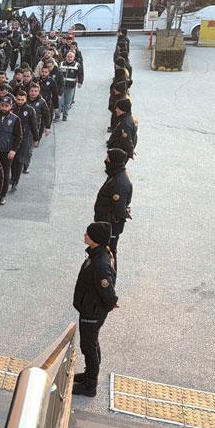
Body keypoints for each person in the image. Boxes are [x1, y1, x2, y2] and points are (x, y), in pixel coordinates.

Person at [72, 222, 119, 398]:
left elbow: (107, 290)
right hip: (90, 308)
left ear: (96, 240)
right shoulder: (98, 254)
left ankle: (90, 385)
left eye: (88, 234)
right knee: (91, 343)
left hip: (92, 311)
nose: (84, 235)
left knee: (88, 346)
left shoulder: (100, 263)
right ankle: (89, 374)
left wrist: (111, 302)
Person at [94, 149, 132, 259]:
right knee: (105, 250)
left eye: (108, 158)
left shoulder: (119, 183)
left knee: (109, 251)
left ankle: (110, 275)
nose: (106, 160)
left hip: (111, 224)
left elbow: (119, 209)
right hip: (107, 222)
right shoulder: (115, 175)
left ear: (114, 161)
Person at [0, 96, 23, 205]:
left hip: (6, 151)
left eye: (6, 106)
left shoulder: (15, 119)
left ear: (10, 106)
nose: (4, 108)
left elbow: (19, 136)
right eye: (2, 105)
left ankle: (3, 195)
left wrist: (13, 150)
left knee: (4, 173)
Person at [10, 90, 39, 192]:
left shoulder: (30, 110)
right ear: (15, 99)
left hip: (24, 138)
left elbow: (34, 126)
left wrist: (36, 139)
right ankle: (13, 176)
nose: (20, 101)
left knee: (19, 160)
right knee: (12, 160)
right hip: (12, 137)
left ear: (25, 99)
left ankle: (15, 181)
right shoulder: (11, 108)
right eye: (18, 99)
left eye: (22, 100)